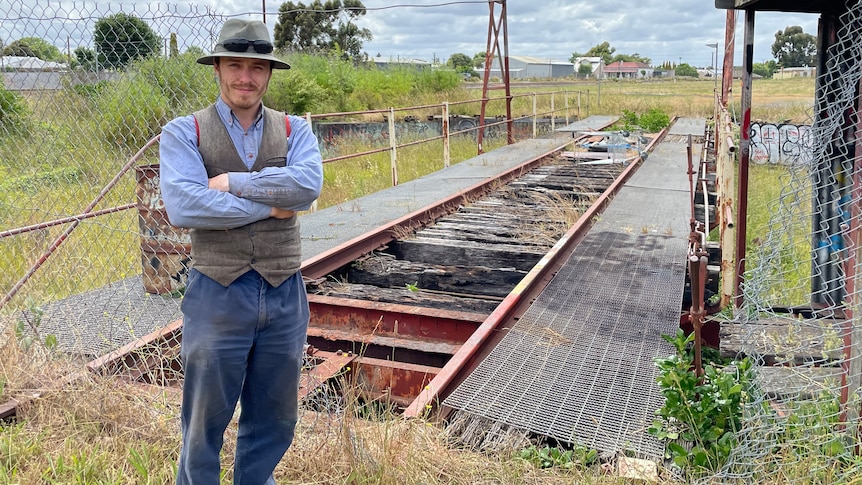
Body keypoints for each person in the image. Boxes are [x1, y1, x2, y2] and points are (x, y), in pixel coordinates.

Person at [158, 18, 323, 485]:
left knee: (275, 416)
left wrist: (233, 184)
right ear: (217, 69)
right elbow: (185, 204)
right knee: (203, 421)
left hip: (283, 290)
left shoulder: (295, 129)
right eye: (234, 65)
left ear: (269, 73)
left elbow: (308, 187)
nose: (245, 76)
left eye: (256, 67)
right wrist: (273, 207)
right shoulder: (184, 131)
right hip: (216, 291)